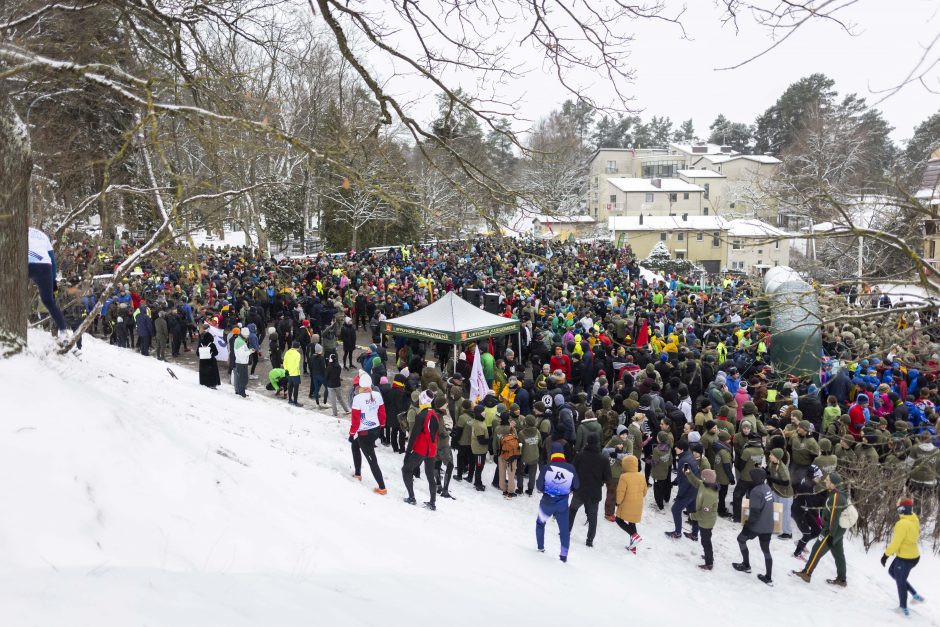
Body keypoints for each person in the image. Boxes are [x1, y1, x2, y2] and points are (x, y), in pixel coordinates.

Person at [793, 472, 849, 586]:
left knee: (816, 549)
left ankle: (807, 573)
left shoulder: (836, 498)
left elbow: (834, 517)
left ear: (833, 484)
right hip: (838, 529)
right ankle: (842, 579)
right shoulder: (837, 493)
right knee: (838, 553)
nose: (825, 481)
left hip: (831, 529)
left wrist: (831, 535)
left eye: (827, 480)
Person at [536, 443, 579, 562]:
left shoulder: (547, 467)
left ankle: (540, 547)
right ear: (563, 454)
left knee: (540, 524)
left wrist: (547, 488)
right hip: (562, 506)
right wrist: (567, 488)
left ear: (552, 454)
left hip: (546, 503)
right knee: (564, 531)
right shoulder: (571, 468)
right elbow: (577, 485)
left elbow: (539, 487)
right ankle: (564, 555)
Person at [882, 497, 924, 616]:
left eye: (898, 504)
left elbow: (896, 544)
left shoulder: (902, 524)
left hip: (906, 558)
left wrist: (885, 555)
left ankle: (903, 608)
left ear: (901, 508)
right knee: (892, 572)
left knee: (900, 581)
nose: (896, 505)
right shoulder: (914, 518)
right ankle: (915, 595)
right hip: (912, 556)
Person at [568, 432, 611, 547]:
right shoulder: (604, 459)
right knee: (593, 517)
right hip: (594, 492)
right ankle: (589, 540)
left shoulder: (580, 455)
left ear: (587, 442)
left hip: (579, 490)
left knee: (572, 510)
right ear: (598, 443)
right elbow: (608, 478)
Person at [27, 225, 69, 341]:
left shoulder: (17, 230)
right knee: (49, 302)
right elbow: (52, 260)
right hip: (45, 266)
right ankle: (63, 331)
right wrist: (53, 280)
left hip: (26, 263)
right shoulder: (43, 236)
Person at [733, 468, 774, 585]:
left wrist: (747, 525)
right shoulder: (767, 488)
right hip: (768, 526)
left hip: (756, 526)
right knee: (766, 550)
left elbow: (755, 512)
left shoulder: (756, 491)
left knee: (741, 539)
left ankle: (746, 565)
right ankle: (768, 577)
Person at [350, 373, 387, 495]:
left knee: (372, 460)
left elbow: (355, 420)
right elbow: (382, 413)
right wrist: (381, 425)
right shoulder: (376, 394)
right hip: (375, 429)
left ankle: (382, 487)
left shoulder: (358, 398)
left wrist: (351, 433)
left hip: (365, 433)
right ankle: (357, 473)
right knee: (355, 445)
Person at [402, 390, 440, 509]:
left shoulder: (421, 415)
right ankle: (432, 502)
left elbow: (414, 436)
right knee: (429, 475)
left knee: (406, 469)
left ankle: (412, 497)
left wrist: (408, 452)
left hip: (421, 449)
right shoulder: (434, 414)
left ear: (422, 400)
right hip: (432, 449)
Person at [687, 468, 719, 570]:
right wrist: (687, 472)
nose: (701, 477)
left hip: (707, 521)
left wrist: (692, 516)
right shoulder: (704, 484)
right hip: (703, 520)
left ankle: (709, 563)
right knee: (706, 540)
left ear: (706, 479)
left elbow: (704, 514)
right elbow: (696, 481)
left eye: (702, 476)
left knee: (705, 541)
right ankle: (709, 556)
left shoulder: (710, 495)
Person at [665, 440, 698, 539]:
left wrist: (680, 494)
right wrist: (676, 481)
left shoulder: (684, 461)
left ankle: (677, 532)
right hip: (695, 490)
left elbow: (686, 479)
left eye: (677, 447)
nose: (675, 448)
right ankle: (694, 534)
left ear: (682, 449)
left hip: (688, 491)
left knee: (675, 510)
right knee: (693, 512)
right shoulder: (689, 456)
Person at [614, 454, 647, 554]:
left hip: (626, 504)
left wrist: (617, 502)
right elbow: (644, 492)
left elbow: (620, 493)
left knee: (618, 520)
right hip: (638, 504)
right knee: (631, 523)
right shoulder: (641, 476)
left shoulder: (624, 477)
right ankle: (633, 547)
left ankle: (634, 535)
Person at [197, 323, 220, 389]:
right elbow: (216, 353)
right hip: (211, 362)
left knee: (204, 373)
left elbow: (197, 353)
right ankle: (212, 385)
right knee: (212, 373)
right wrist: (211, 354)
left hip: (203, 362)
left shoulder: (201, 344)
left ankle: (204, 383)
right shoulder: (212, 344)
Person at [232, 326, 252, 398]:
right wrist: (250, 351)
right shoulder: (240, 342)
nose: (248, 336)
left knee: (242, 378)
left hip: (241, 362)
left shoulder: (239, 340)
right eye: (247, 335)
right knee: (243, 379)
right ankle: (242, 393)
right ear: (243, 334)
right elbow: (242, 354)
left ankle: (241, 392)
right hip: (241, 362)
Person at [283, 341, 303, 407]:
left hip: (288, 373)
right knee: (296, 388)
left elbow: (284, 362)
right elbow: (296, 365)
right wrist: (293, 372)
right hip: (295, 373)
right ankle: (295, 401)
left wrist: (286, 370)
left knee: (290, 386)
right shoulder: (297, 354)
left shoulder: (287, 352)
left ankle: (290, 400)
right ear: (298, 347)